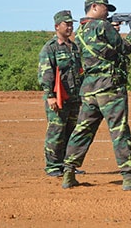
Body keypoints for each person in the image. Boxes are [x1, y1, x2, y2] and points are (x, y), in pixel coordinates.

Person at [61, 0, 131, 191]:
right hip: (109, 87)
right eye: (105, 8)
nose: (107, 12)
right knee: (119, 131)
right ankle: (129, 176)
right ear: (94, 7)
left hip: (89, 89)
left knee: (82, 130)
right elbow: (125, 48)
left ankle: (68, 172)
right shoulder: (102, 26)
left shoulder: (79, 31)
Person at [38, 10, 85, 177]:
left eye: (72, 24)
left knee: (71, 132)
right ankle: (52, 166)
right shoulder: (50, 48)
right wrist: (49, 95)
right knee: (56, 132)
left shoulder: (74, 47)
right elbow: (46, 73)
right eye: (67, 24)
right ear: (57, 26)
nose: (70, 27)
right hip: (58, 97)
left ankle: (68, 166)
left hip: (74, 98)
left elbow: (80, 71)